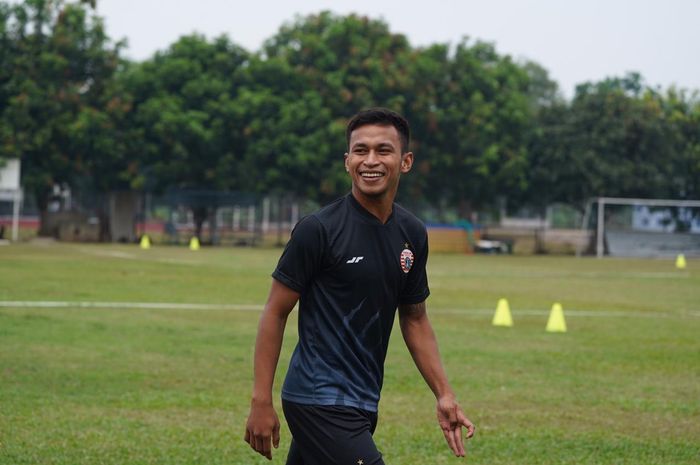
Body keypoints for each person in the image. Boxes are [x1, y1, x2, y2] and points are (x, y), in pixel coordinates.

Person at [244, 108, 475, 464]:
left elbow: (414, 318)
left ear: (405, 161)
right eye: (360, 150)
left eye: (383, 150)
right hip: (318, 399)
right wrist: (261, 400)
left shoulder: (411, 233)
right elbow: (275, 312)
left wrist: (444, 394)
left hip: (363, 400)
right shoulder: (319, 229)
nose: (370, 160)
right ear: (347, 160)